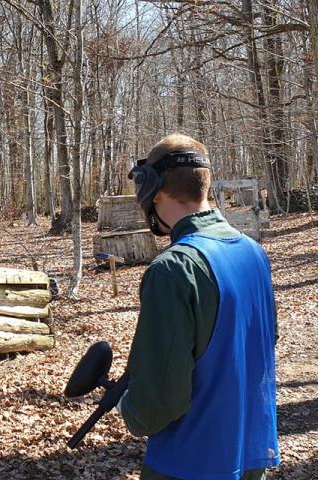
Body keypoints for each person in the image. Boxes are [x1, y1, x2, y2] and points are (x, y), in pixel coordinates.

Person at [121, 133, 279, 479]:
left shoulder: (173, 268)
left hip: (188, 463)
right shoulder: (254, 253)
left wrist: (128, 406)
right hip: (248, 456)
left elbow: (157, 403)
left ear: (155, 190)